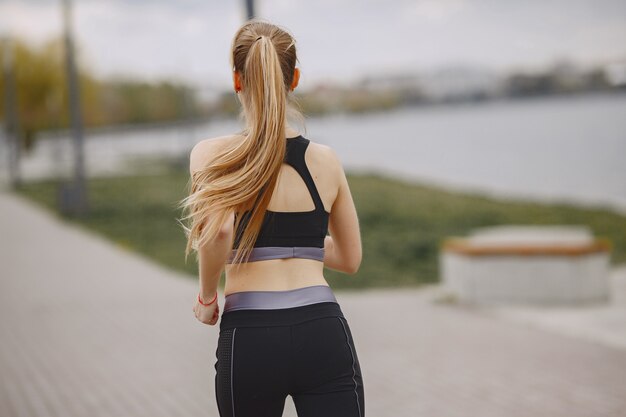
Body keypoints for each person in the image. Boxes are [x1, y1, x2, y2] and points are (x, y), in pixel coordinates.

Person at [178, 20, 365, 417]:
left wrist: (207, 297)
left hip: (250, 335)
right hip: (322, 329)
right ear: (294, 77)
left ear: (236, 80)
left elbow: (219, 234)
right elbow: (350, 259)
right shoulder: (326, 161)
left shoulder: (212, 156)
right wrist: (302, 247)